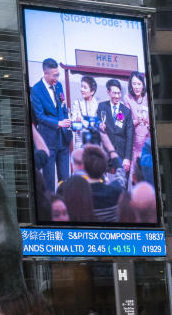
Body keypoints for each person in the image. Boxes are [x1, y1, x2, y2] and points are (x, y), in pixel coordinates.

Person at [30, 58, 72, 191]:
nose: (57, 78)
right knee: (49, 181)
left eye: (58, 74)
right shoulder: (36, 90)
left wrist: (67, 120)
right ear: (45, 73)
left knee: (65, 180)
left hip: (63, 140)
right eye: (54, 75)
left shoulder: (58, 86)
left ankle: (64, 207)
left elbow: (63, 107)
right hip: (48, 141)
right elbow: (40, 117)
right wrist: (58, 123)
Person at [97, 78, 133, 176]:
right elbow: (97, 124)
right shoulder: (102, 107)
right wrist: (99, 125)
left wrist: (127, 158)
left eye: (119, 93)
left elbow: (130, 136)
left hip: (122, 155)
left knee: (122, 186)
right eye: (114, 93)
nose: (117, 96)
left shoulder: (126, 111)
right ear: (108, 92)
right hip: (106, 154)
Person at [82, 144, 121, 222]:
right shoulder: (115, 189)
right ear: (104, 167)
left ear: (83, 167)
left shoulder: (78, 195)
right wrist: (111, 149)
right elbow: (121, 171)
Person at [124, 71, 150, 164]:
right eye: (134, 84)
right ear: (131, 84)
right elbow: (128, 122)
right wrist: (138, 121)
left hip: (148, 139)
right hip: (136, 143)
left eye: (139, 84)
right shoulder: (127, 98)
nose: (136, 87)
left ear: (143, 84)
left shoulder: (148, 97)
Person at [69, 75, 99, 150]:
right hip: (80, 142)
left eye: (85, 87)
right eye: (81, 87)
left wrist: (83, 123)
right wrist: (76, 122)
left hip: (93, 141)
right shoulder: (77, 103)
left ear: (92, 91)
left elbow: (97, 125)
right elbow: (73, 126)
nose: (81, 89)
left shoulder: (98, 105)